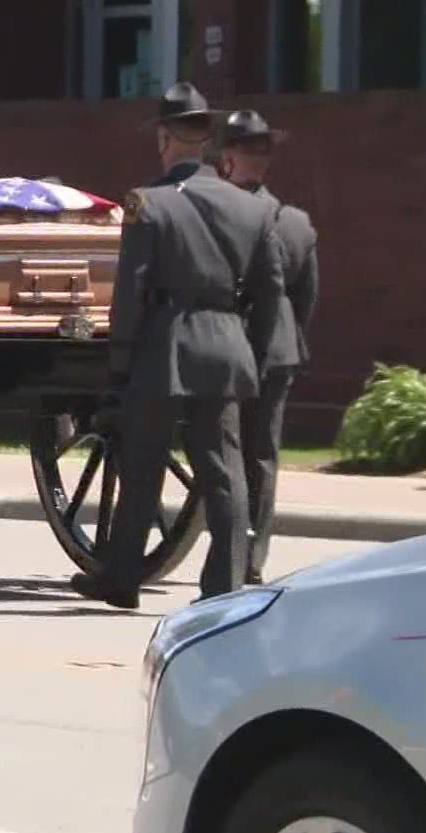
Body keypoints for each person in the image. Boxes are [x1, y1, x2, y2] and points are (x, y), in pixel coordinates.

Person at [70, 82, 286, 610]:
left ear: (165, 139)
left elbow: (132, 291)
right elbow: (271, 289)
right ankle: (226, 583)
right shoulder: (252, 209)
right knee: (223, 468)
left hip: (165, 346)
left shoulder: (150, 204)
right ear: (209, 141)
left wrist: (119, 365)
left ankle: (122, 577)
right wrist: (251, 353)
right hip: (226, 342)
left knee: (141, 466)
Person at [217, 109, 318, 586]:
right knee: (261, 456)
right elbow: (306, 298)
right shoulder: (296, 222)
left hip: (226, 346)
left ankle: (233, 551)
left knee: (228, 454)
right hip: (277, 348)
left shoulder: (215, 214)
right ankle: (251, 556)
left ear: (226, 159)